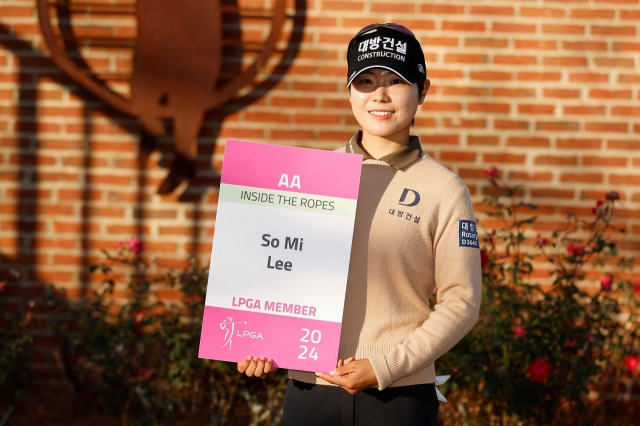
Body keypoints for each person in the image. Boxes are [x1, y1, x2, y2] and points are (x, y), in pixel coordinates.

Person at [237, 23, 482, 426]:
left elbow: (462, 301)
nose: (379, 95)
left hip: (399, 398)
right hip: (309, 393)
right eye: (365, 80)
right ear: (349, 90)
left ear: (423, 90)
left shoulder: (445, 190)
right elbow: (276, 269)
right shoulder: (305, 180)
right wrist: (259, 338)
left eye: (396, 80)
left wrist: (386, 365)